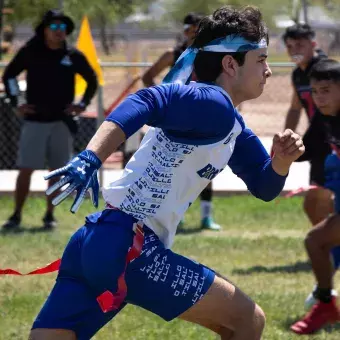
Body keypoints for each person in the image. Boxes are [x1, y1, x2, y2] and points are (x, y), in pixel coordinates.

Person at [29, 6, 305, 340]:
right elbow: (143, 100)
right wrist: (90, 157)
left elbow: (264, 185)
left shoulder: (229, 121)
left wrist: (282, 163)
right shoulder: (212, 102)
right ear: (230, 64)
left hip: (94, 242)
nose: (269, 71)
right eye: (261, 60)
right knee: (248, 321)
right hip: (132, 248)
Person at [2, 9, 98, 230]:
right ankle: (16, 215)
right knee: (25, 168)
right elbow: (9, 76)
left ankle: (49, 216)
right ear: (44, 30)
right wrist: (17, 102)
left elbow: (91, 80)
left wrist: (81, 104)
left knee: (56, 171)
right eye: (54, 27)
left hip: (61, 122)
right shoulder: (30, 51)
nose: (58, 32)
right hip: (35, 121)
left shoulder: (73, 55)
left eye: (62, 28)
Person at [143, 12, 221, 231]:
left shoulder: (211, 57)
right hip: (176, 118)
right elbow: (148, 76)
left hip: (203, 116)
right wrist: (161, 98)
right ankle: (175, 214)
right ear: (185, 32)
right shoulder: (174, 54)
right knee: (174, 167)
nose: (194, 35)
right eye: (191, 30)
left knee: (206, 166)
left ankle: (206, 216)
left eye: (199, 31)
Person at [291, 59, 340, 334]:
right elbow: (307, 150)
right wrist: (284, 148)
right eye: (315, 92)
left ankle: (325, 305)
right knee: (317, 242)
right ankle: (326, 305)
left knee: (316, 241)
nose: (319, 98)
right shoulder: (324, 117)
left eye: (326, 90)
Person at [282, 23, 333, 226]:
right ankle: (327, 246)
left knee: (320, 197)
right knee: (315, 200)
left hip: (332, 141)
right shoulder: (298, 74)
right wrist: (287, 135)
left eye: (300, 45)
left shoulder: (324, 68)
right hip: (320, 142)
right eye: (290, 46)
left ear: (313, 44)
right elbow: (295, 108)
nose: (294, 50)